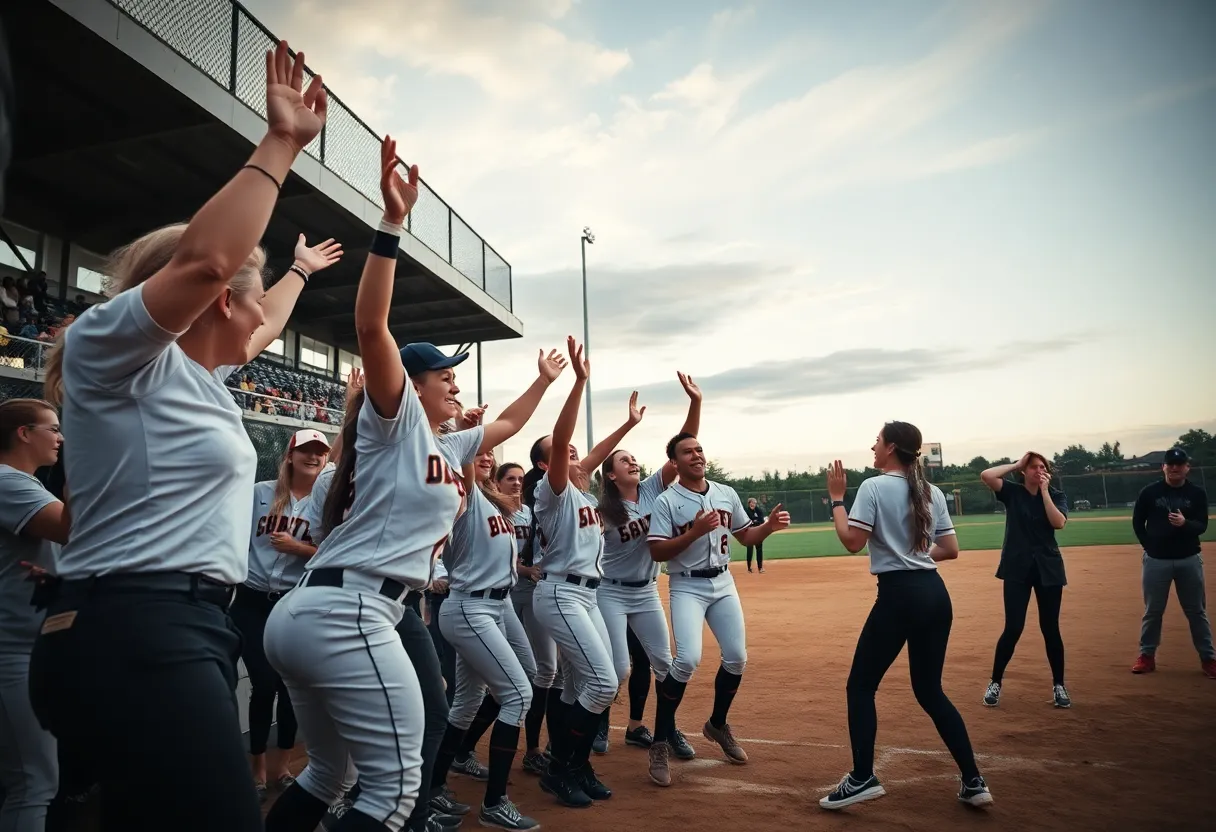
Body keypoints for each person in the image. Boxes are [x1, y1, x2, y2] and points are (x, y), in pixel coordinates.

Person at [27, 39, 327, 831]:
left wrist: (294, 273)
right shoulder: (112, 352)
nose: (261, 320)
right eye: (252, 296)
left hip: (158, 624)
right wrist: (282, 144)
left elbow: (256, 321)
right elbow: (203, 261)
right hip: (136, 626)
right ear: (222, 301)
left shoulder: (194, 378)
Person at [263, 133, 568, 832]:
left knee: (330, 772)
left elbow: (511, 424)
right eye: (447, 374)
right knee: (395, 793)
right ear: (416, 382)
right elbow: (371, 323)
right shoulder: (393, 418)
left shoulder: (448, 439)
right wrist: (392, 225)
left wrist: (545, 381)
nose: (456, 382)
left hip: (330, 610)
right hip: (352, 612)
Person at [818, 422, 991, 811]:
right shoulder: (932, 490)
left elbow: (851, 541)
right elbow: (950, 549)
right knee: (930, 690)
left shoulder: (873, 487)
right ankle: (973, 780)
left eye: (877, 441)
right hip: (934, 594)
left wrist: (836, 499)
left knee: (860, 687)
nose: (873, 446)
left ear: (892, 447)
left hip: (899, 596)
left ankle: (862, 777)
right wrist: (913, 559)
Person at [528, 337, 645, 807]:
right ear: (548, 463)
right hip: (559, 594)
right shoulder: (554, 492)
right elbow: (564, 442)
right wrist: (577, 383)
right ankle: (562, 769)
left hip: (587, 596)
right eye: (564, 453)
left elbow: (595, 451)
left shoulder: (581, 491)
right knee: (601, 682)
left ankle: (574, 765)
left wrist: (628, 425)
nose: (576, 456)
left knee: (590, 680)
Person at [430, 447, 561, 831]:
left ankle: (435, 784)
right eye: (479, 452)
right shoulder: (465, 495)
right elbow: (467, 458)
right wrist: (466, 434)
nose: (484, 455)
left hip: (493, 604)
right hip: (471, 606)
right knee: (518, 695)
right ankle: (495, 803)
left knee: (471, 699)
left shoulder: (498, 507)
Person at [646, 433, 788, 787]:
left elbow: (746, 537)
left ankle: (717, 725)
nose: (696, 455)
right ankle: (660, 742)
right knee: (688, 659)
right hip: (687, 584)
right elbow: (658, 553)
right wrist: (693, 533)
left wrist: (767, 526)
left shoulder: (726, 493)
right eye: (687, 452)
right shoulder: (667, 501)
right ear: (675, 463)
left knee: (737, 657)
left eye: (699, 450)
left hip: (723, 582)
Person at [594, 371, 704, 763]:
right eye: (624, 460)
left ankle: (665, 729)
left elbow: (680, 447)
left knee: (667, 664)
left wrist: (695, 402)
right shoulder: (602, 509)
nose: (633, 461)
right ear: (610, 474)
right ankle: (598, 723)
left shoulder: (654, 489)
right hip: (608, 592)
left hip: (644, 591)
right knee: (618, 667)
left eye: (633, 458)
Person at [231, 427, 332, 801]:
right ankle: (256, 768)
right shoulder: (260, 492)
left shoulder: (326, 501)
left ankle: (283, 767)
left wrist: (299, 549)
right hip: (252, 599)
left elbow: (334, 553)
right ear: (290, 454)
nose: (313, 456)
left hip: (294, 602)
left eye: (320, 452)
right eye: (306, 450)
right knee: (264, 684)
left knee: (293, 688)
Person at [0, 399, 69, 832]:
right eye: (54, 429)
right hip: (12, 652)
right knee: (33, 783)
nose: (61, 438)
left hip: (29, 647)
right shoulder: (8, 481)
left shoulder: (24, 483)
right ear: (24, 433)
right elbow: (74, 527)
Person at [979, 452, 1071, 708]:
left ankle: (1059, 685)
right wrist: (1016, 464)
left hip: (1049, 568)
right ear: (1023, 471)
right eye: (1033, 467)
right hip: (1017, 568)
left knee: (1050, 628)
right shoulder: (1013, 492)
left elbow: (1058, 523)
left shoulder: (1056, 495)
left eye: (1042, 467)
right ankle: (995, 681)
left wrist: (1044, 492)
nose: (1038, 471)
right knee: (1013, 627)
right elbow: (987, 475)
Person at [1130, 447, 1214, 678]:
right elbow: (1138, 523)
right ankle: (1146, 656)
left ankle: (1208, 658)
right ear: (1163, 467)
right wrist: (1149, 546)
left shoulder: (1197, 494)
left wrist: (1185, 524)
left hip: (1189, 559)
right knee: (1153, 611)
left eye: (1180, 464)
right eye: (1170, 464)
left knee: (1196, 611)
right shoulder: (1149, 492)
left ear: (1188, 467)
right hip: (1157, 561)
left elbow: (1202, 526)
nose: (1175, 467)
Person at [744, 498, 766, 573]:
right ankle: (749, 568)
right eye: (752, 503)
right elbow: (747, 521)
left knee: (759, 550)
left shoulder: (758, 510)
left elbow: (762, 520)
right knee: (749, 550)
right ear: (749, 503)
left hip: (758, 532)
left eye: (754, 503)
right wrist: (755, 521)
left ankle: (760, 567)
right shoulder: (746, 511)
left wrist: (755, 521)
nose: (753, 504)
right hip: (749, 532)